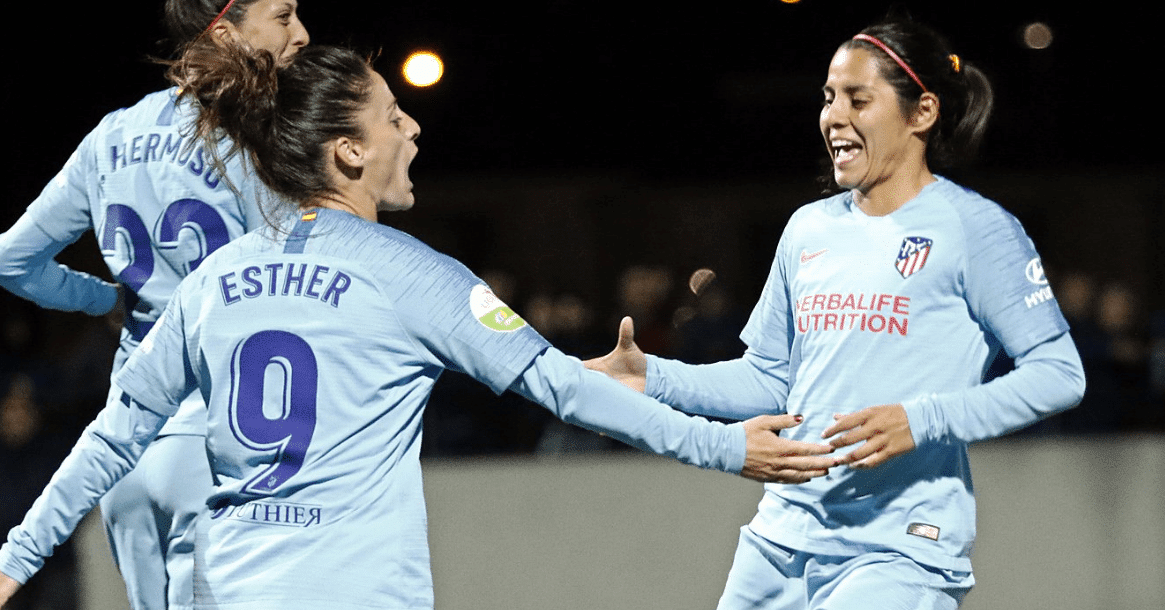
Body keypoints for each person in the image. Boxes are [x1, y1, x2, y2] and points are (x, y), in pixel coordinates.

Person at [0, 42, 841, 610]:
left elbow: (113, 436)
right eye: (393, 116)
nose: (413, 128)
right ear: (349, 151)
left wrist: (13, 559)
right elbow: (558, 390)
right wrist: (723, 446)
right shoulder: (410, 274)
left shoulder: (214, 281)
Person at [585, 17, 1086, 608]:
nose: (833, 117)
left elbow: (1059, 374)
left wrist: (922, 420)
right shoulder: (809, 228)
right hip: (780, 540)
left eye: (857, 99)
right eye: (828, 98)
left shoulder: (977, 229)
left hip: (898, 549)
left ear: (922, 113)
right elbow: (773, 378)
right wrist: (654, 377)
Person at [0, 0, 308, 610]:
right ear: (226, 32)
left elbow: (11, 260)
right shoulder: (259, 137)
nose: (302, 34)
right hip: (224, 445)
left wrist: (101, 299)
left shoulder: (111, 135)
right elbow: (299, 291)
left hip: (126, 453)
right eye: (284, 16)